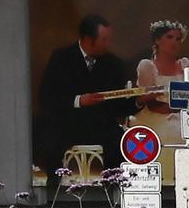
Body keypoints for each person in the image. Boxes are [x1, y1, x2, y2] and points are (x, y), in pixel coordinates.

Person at [33, 13, 122, 185]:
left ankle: (113, 189)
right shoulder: (61, 58)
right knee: (47, 136)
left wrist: (138, 101)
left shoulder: (113, 63)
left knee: (120, 140)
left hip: (101, 125)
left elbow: (120, 104)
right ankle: (54, 191)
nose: (107, 44)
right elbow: (47, 97)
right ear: (88, 39)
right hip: (66, 123)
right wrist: (79, 101)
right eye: (103, 39)